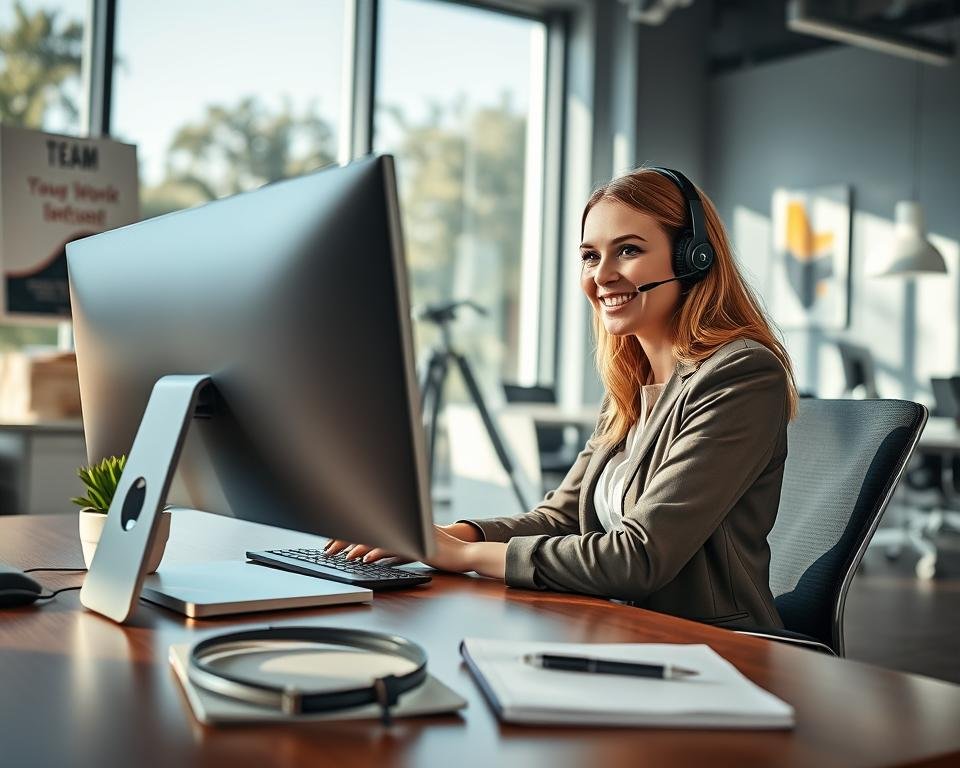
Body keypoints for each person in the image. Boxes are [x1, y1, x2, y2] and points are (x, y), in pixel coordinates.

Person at [327, 166, 799, 629]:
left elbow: (638, 558)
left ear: (692, 257)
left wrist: (463, 555)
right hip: (614, 627)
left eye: (628, 251)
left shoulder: (741, 374)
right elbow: (562, 518)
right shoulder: (631, 386)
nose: (603, 275)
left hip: (710, 646)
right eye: (590, 257)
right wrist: (447, 535)